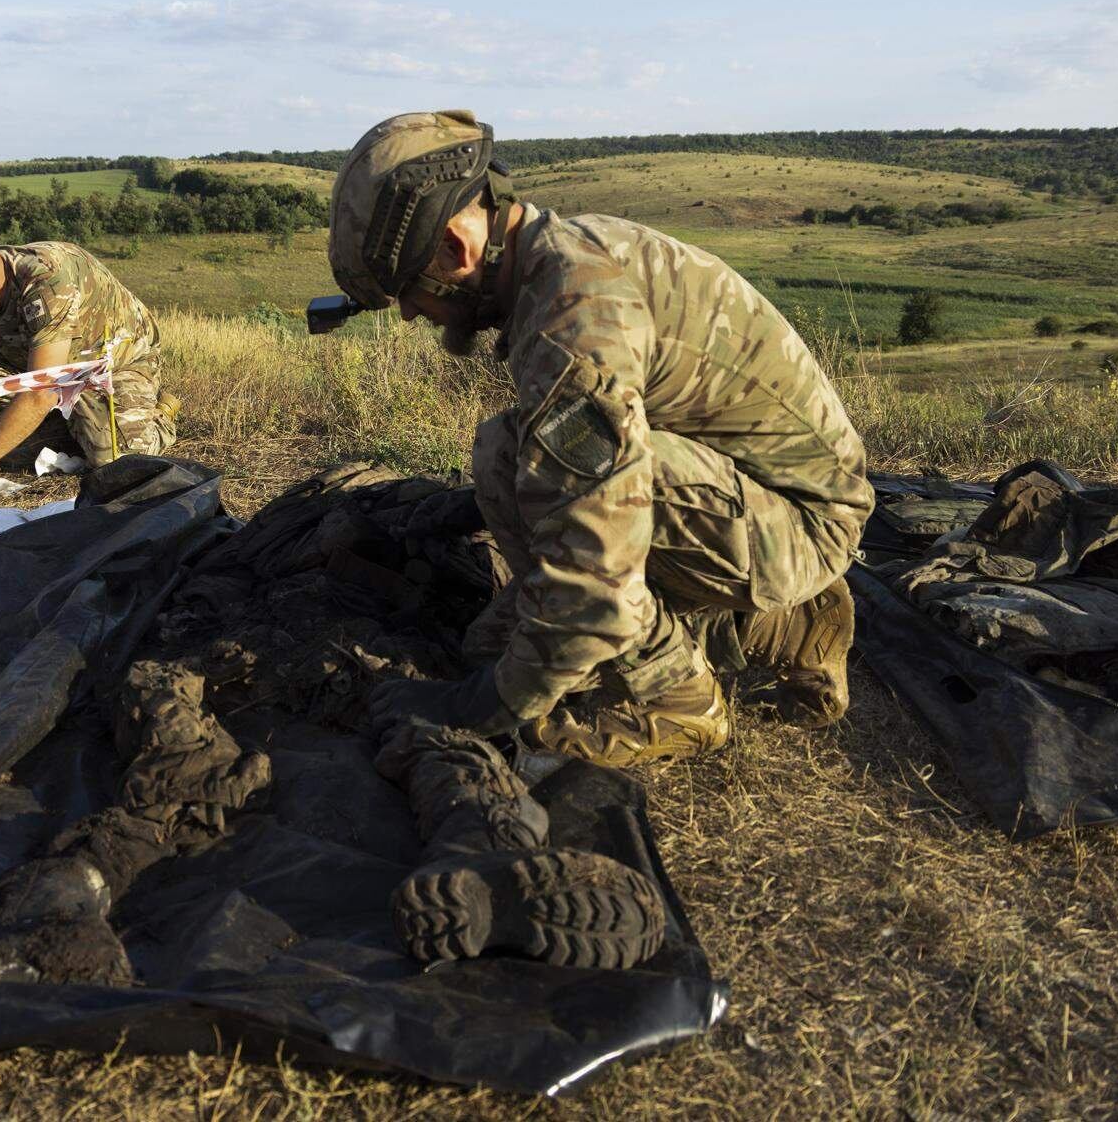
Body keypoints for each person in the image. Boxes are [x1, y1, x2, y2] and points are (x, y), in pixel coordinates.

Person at [331, 111, 876, 766]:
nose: (415, 314)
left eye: (411, 294)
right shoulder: (555, 256)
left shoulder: (574, 318)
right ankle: (782, 625)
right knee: (508, 452)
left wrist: (479, 706)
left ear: (455, 250)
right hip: (757, 498)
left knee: (548, 492)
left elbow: (595, 565)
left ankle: (678, 698)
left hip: (804, 525)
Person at [0, 227, 178, 497]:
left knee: (114, 460)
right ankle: (72, 422)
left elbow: (40, 392)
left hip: (112, 364)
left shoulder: (47, 280)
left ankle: (160, 413)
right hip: (49, 366)